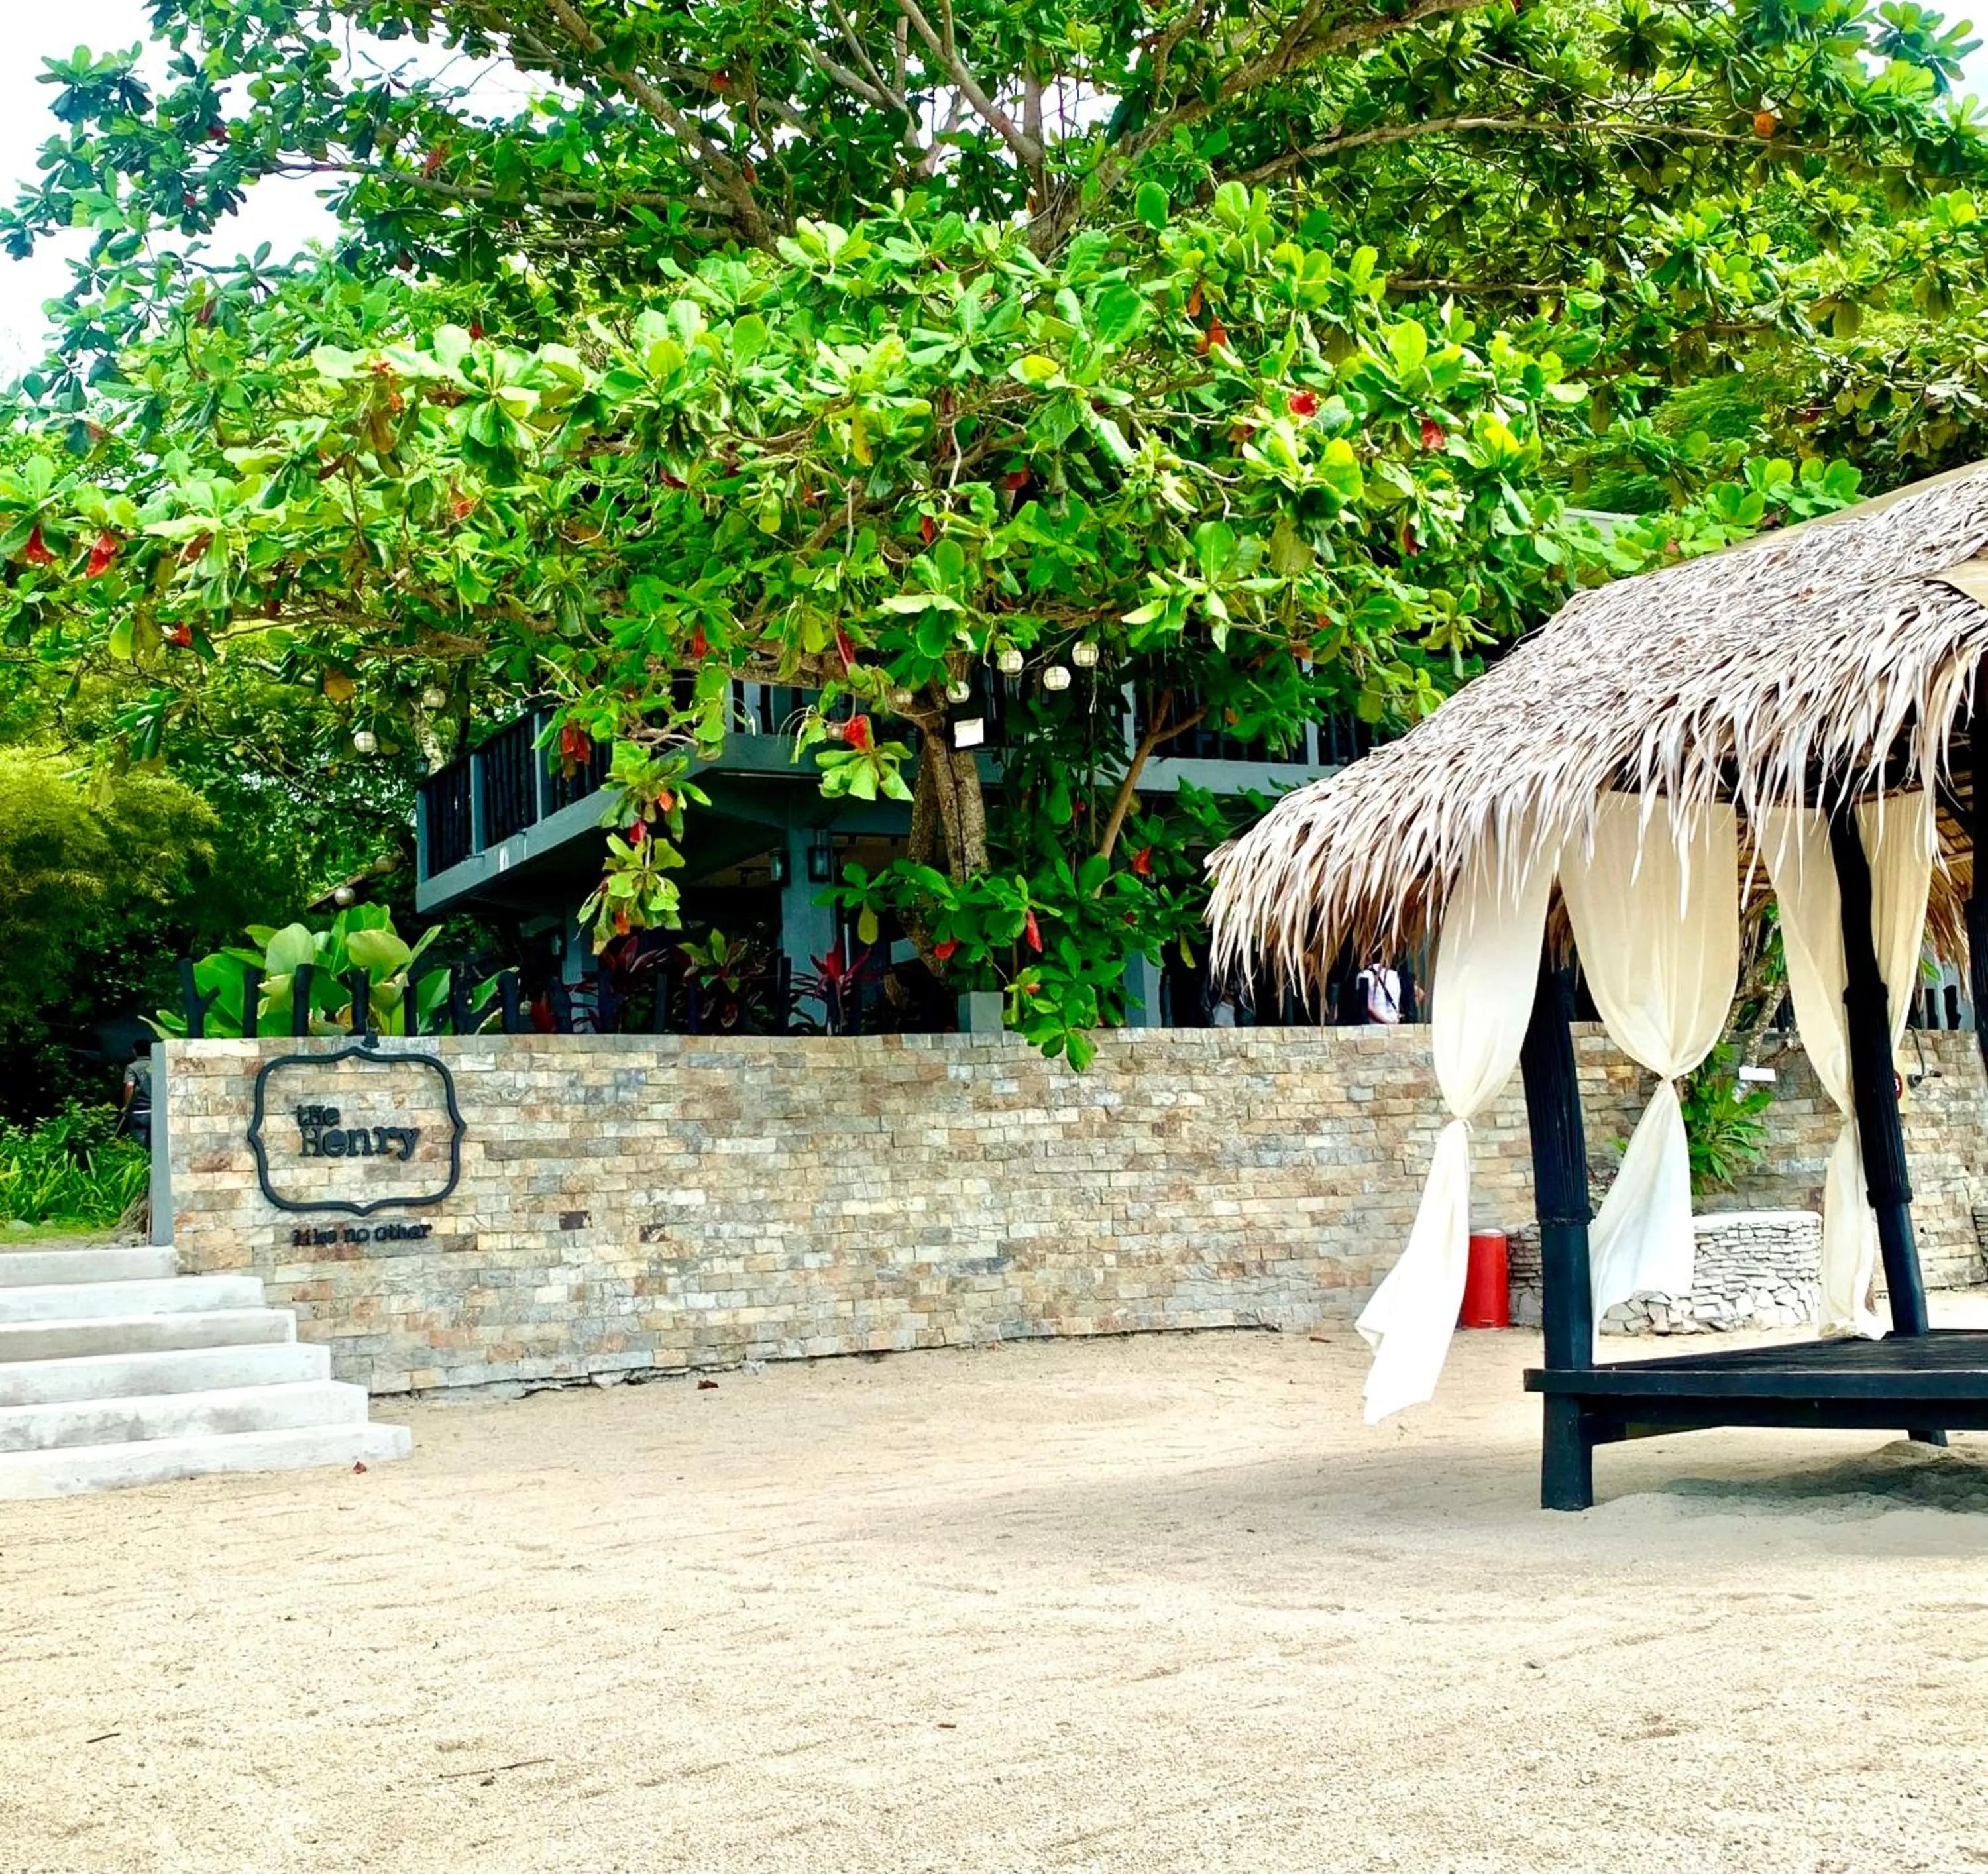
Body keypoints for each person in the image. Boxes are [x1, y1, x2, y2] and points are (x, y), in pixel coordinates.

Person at [119, 1040, 154, 1150]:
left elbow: (130, 1086)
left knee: (140, 1146)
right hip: (157, 1112)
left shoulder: (132, 1067)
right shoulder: (157, 1066)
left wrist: (126, 1106)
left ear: (134, 1051)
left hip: (139, 1112)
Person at [1356, 956, 1403, 1026]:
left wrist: (1387, 1023)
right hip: (1395, 1023)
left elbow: (1368, 1006)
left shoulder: (1364, 975)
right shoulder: (1394, 975)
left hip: (1375, 1026)